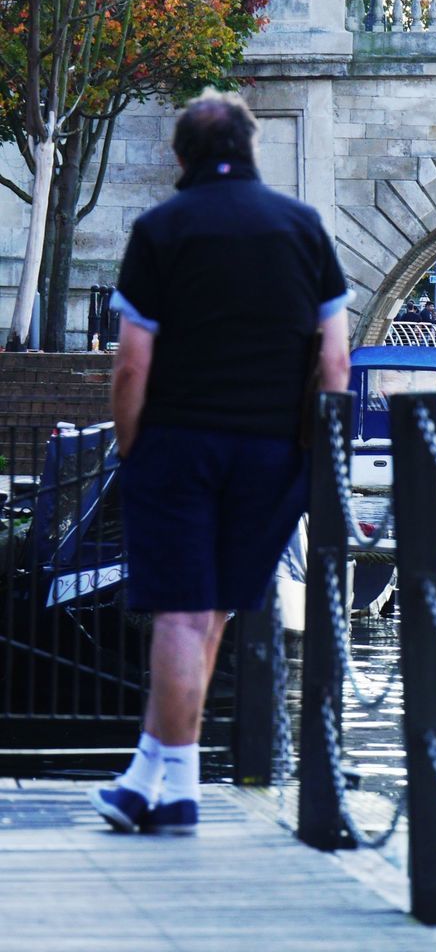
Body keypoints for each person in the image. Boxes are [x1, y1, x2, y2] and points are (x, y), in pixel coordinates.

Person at [89, 91, 350, 836]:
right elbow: (334, 361)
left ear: (181, 156)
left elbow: (133, 364)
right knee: (213, 615)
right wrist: (307, 449)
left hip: (178, 439)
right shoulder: (305, 229)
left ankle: (180, 788)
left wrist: (131, 443)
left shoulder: (161, 229)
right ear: (255, 147)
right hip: (272, 450)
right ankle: (156, 780)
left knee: (178, 611)